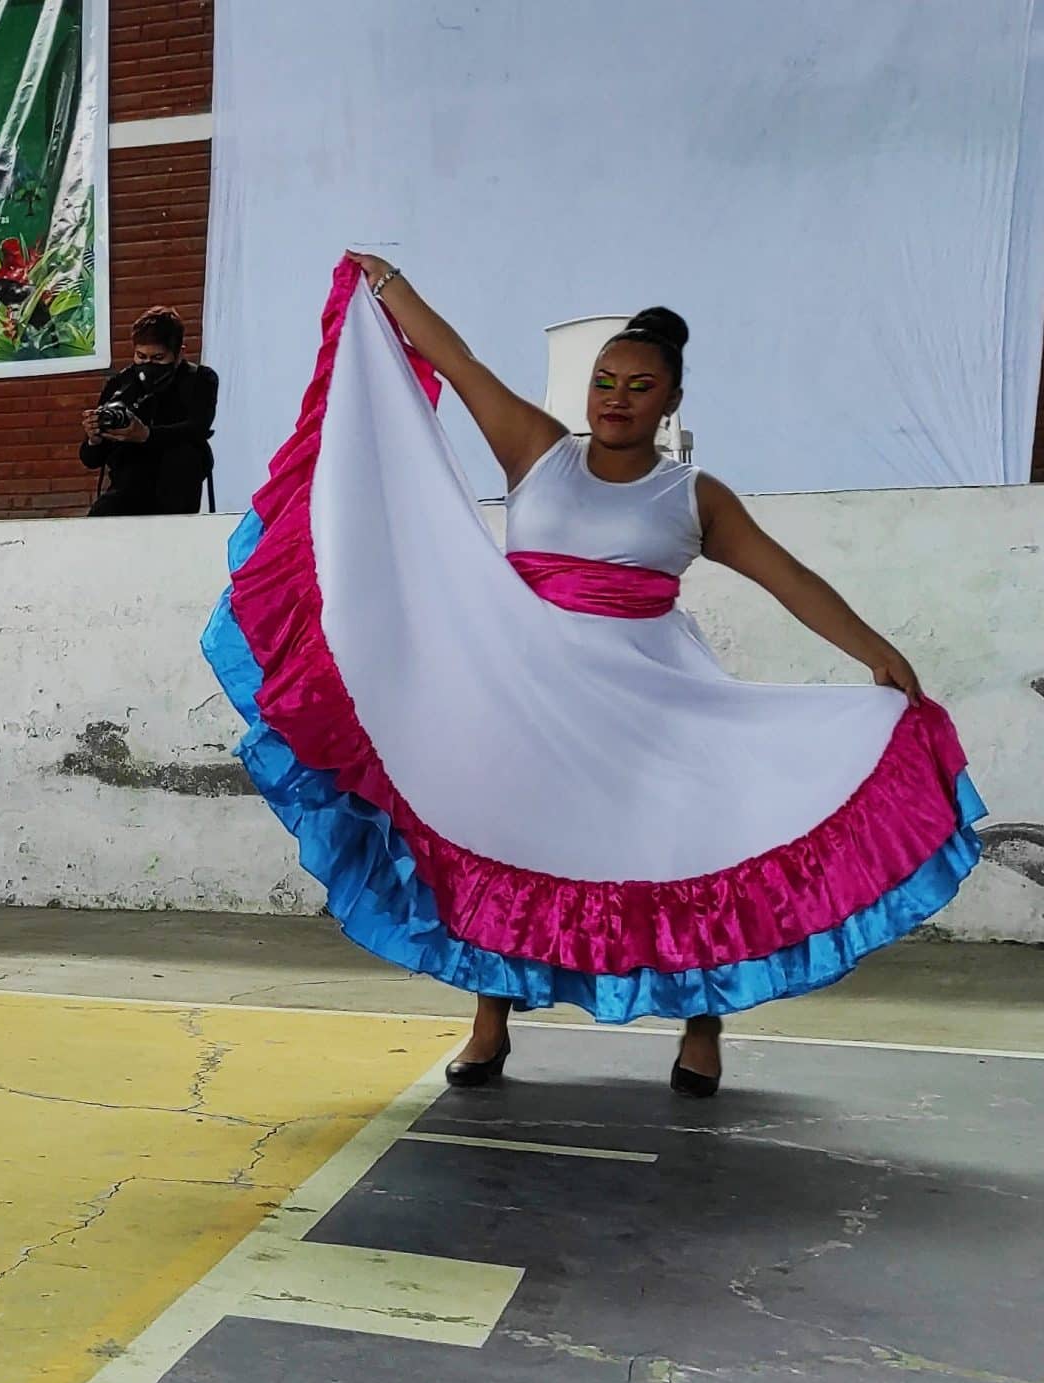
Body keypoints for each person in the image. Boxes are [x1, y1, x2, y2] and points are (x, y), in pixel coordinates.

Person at [200, 255, 980, 1098]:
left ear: (671, 400)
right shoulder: (538, 453)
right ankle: (489, 1024)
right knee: (501, 837)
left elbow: (786, 577)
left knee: (690, 848)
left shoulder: (694, 496)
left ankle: (701, 1030)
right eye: (605, 380)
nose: (616, 397)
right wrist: (389, 286)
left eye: (639, 385)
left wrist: (872, 648)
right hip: (529, 694)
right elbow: (459, 364)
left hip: (656, 702)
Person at [79, 307, 218, 516]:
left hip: (177, 486)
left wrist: (146, 435)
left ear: (179, 353)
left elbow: (197, 427)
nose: (147, 365)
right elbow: (91, 460)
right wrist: (94, 439)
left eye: (158, 358)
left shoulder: (200, 379)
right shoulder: (120, 385)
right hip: (127, 486)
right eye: (141, 357)